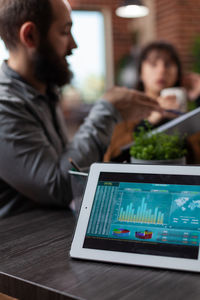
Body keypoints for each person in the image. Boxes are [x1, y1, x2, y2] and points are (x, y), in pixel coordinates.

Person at [0, 0, 164, 217]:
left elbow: (65, 163)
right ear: (30, 36)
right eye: (64, 32)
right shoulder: (5, 105)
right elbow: (61, 188)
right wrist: (107, 111)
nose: (73, 45)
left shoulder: (44, 90)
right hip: (25, 245)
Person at [104, 41, 183, 161]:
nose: (161, 70)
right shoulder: (125, 111)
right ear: (141, 72)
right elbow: (113, 157)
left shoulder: (184, 109)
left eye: (167, 64)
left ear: (177, 73)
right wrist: (151, 120)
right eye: (153, 64)